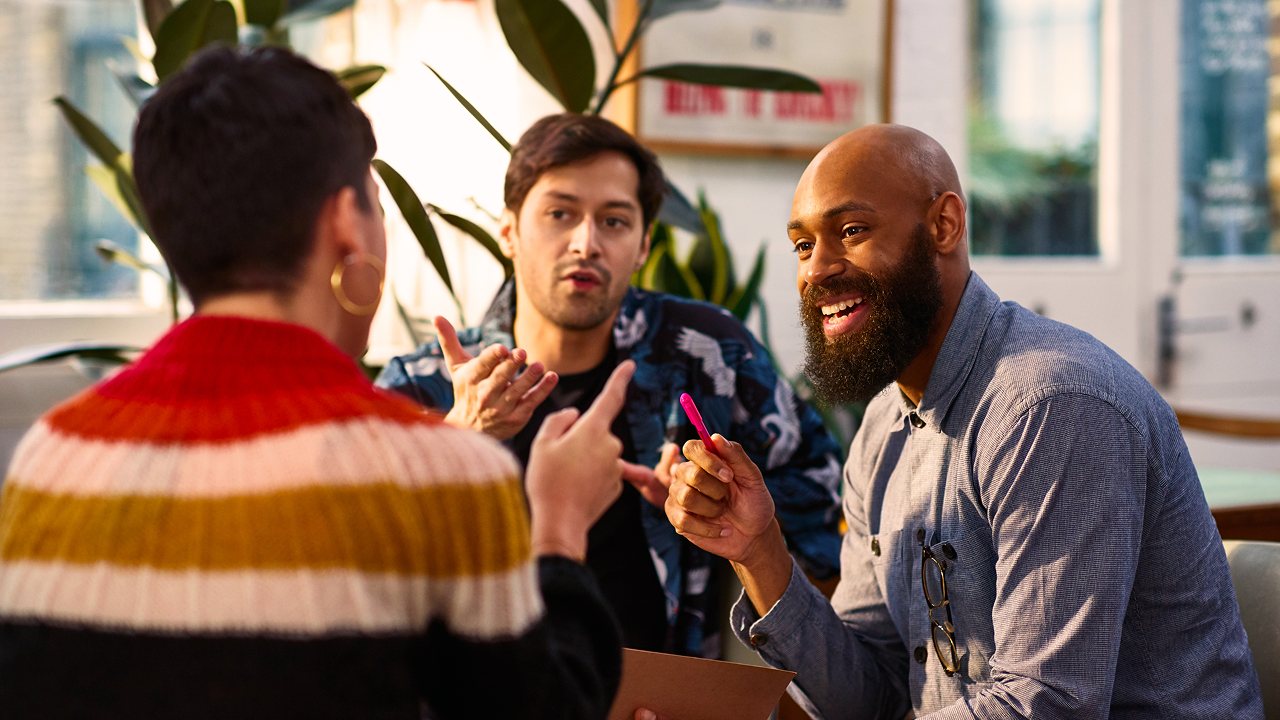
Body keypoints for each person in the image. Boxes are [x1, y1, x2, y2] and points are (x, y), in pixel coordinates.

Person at [0, 47, 629, 719]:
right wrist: (559, 527)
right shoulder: (446, 475)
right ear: (345, 224)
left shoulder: (50, 454)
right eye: (378, 206)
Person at [660, 124, 1264, 718]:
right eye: (802, 245)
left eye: (851, 231)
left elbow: (1047, 706)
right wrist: (759, 551)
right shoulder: (880, 430)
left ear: (943, 225)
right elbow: (876, 696)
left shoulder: (1047, 406)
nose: (816, 269)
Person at [377, 113, 844, 657]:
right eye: (559, 213)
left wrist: (723, 504)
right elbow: (346, 571)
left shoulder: (704, 352)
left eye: (614, 221)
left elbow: (825, 492)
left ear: (644, 244)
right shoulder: (424, 386)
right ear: (509, 231)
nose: (585, 243)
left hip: (664, 698)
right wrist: (457, 439)